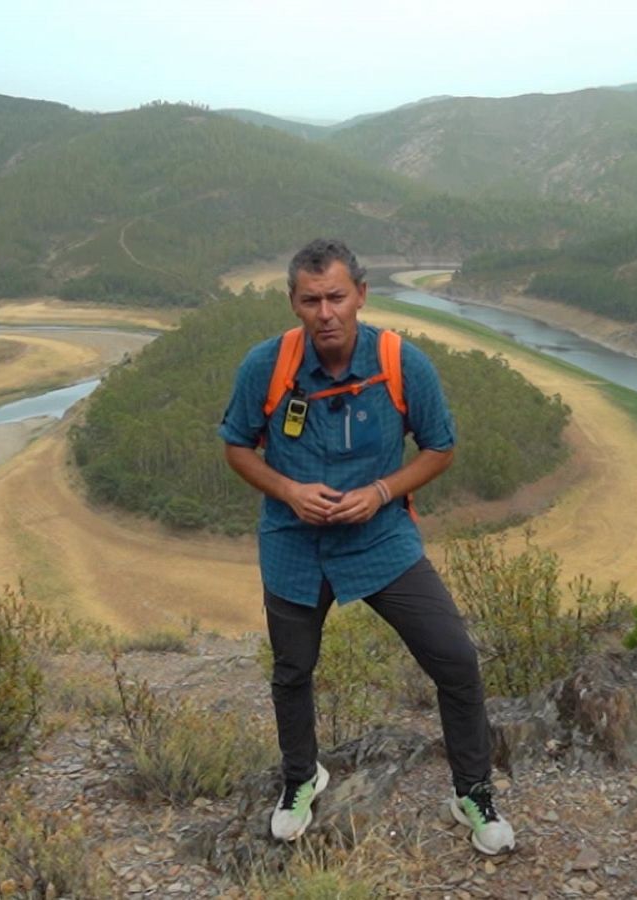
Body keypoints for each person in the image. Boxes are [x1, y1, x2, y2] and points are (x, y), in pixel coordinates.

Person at [218, 238, 516, 855]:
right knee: (292, 670)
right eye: (311, 300)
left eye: (336, 297)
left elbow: (440, 448)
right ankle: (302, 777)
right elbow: (236, 446)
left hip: (381, 541)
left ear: (360, 294)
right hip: (293, 543)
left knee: (455, 660)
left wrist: (381, 491)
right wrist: (289, 491)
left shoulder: (402, 363)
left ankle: (473, 792)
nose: (325, 313)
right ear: (293, 302)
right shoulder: (266, 366)